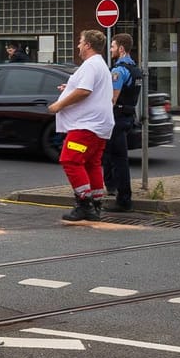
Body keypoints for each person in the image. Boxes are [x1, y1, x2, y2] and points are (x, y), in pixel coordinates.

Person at [47, 29, 115, 223]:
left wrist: (59, 105)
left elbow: (84, 91)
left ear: (87, 45)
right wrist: (67, 88)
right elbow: (88, 89)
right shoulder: (100, 65)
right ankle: (95, 204)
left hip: (86, 126)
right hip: (99, 126)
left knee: (70, 159)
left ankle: (83, 203)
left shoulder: (90, 65)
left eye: (80, 42)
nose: (78, 45)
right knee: (91, 163)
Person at [102, 33, 140, 211]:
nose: (110, 50)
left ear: (121, 49)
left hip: (116, 117)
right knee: (109, 154)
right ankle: (110, 186)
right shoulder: (134, 68)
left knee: (119, 160)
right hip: (128, 116)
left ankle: (124, 199)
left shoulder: (118, 71)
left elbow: (112, 99)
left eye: (113, 46)